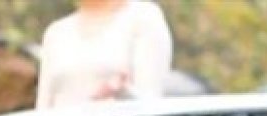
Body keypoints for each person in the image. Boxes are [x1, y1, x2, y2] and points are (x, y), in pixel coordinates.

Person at [36, 0, 174, 109]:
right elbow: (42, 112)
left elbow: (150, 105)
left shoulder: (143, 18)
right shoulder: (56, 33)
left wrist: (121, 93)